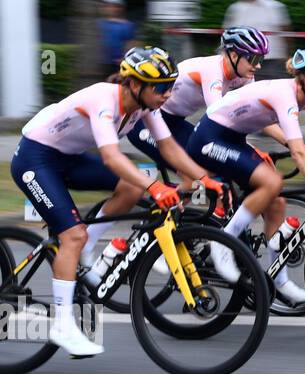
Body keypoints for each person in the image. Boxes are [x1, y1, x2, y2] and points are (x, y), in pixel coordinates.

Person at [11, 46, 220, 357]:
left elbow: (170, 149)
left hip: (67, 158)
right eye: (161, 88)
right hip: (35, 159)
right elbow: (110, 156)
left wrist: (205, 178)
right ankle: (63, 324)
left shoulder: (144, 108)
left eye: (170, 87)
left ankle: (84, 250)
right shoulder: (103, 100)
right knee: (73, 234)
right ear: (135, 84)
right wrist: (155, 186)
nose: (167, 94)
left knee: (130, 188)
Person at [187, 47, 305, 304]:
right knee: (272, 182)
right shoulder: (285, 95)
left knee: (276, 201)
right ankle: (223, 243)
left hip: (233, 139)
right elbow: (300, 153)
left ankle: (279, 281)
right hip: (208, 138)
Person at [127, 26, 269, 172]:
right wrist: (247, 149)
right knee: (196, 170)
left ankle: (191, 193)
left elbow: (252, 114)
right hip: (145, 122)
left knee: (209, 162)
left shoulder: (244, 75)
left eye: (261, 59)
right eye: (253, 59)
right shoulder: (212, 69)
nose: (257, 65)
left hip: (175, 122)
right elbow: (218, 116)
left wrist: (283, 141)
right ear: (234, 56)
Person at [223, 0, 291, 67]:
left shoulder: (274, 7)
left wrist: (287, 53)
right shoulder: (235, 9)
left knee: (272, 80)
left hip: (271, 58)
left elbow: (286, 31)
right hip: (244, 58)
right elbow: (227, 35)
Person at [98, 0, 136, 79]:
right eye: (106, 6)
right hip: (101, 64)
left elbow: (130, 44)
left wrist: (124, 58)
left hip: (118, 64)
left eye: (111, 6)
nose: (108, 8)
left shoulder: (127, 25)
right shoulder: (100, 23)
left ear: (119, 8)